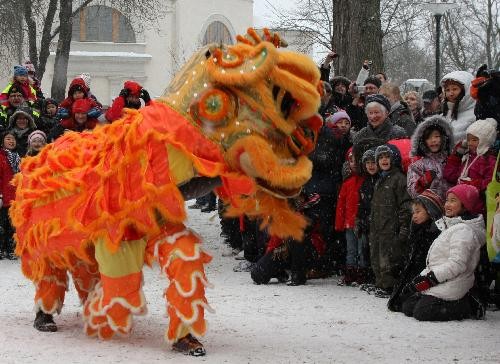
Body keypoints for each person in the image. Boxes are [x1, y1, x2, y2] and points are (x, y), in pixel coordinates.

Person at [402, 184, 485, 321]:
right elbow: (438, 260)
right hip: (443, 279)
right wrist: (420, 279)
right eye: (447, 200)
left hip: (455, 281)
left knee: (422, 312)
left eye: (453, 201)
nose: (447, 204)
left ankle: (468, 305)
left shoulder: (463, 230)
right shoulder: (451, 225)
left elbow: (457, 264)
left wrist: (432, 278)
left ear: (465, 205)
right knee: (407, 306)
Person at [388, 189, 444, 312]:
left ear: (430, 211)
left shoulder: (434, 235)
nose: (414, 215)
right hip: (415, 277)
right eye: (413, 212)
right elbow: (411, 257)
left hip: (426, 279)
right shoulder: (416, 231)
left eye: (418, 211)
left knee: (408, 305)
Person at [369, 144, 412, 298]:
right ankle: (380, 282)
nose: (384, 160)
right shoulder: (379, 180)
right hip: (378, 225)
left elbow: (405, 205)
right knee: (376, 254)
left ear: (394, 159)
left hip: (391, 226)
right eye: (380, 158)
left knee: (389, 258)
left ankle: (389, 285)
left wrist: (404, 226)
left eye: (387, 157)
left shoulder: (399, 179)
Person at [444, 118, 497, 195]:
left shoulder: (490, 160)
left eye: (474, 140)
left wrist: (470, 184)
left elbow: (490, 184)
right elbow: (449, 175)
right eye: (468, 140)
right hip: (460, 199)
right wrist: (457, 155)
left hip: (477, 203)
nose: (470, 143)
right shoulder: (466, 157)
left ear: (485, 140)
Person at [335, 149, 365, 286]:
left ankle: (361, 273)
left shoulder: (365, 180)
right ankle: (350, 273)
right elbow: (341, 204)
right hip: (349, 223)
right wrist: (339, 223)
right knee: (351, 250)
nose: (354, 163)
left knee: (361, 249)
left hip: (361, 222)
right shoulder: (347, 183)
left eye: (356, 160)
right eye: (351, 160)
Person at [407, 115, 453, 199]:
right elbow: (412, 193)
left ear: (444, 138)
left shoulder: (452, 159)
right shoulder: (418, 165)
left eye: (436, 136)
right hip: (430, 207)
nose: (433, 140)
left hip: (452, 206)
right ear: (423, 141)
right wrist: (422, 183)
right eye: (428, 138)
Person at [356, 148, 379, 288]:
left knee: (376, 252)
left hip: (377, 221)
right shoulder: (365, 182)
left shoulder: (380, 180)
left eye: (373, 162)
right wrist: (359, 219)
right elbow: (362, 203)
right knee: (365, 250)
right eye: (368, 163)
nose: (371, 166)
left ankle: (376, 278)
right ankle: (369, 277)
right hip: (366, 221)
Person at [0, 131, 20, 259]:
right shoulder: (1, 156)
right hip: (2, 196)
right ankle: (1, 248)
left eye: (13, 139)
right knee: (1, 225)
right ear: (2, 142)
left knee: (13, 226)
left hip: (14, 197)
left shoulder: (17, 157)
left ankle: (11, 248)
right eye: (8, 138)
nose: (11, 141)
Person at [440, 71, 476, 143]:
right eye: (447, 90)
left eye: (455, 89)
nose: (451, 93)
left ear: (466, 91)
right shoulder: (444, 115)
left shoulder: (475, 115)